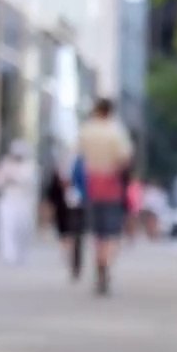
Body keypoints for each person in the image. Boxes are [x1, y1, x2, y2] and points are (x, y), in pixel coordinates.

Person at [76, 98, 133, 295]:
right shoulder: (116, 131)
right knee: (111, 231)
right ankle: (105, 262)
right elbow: (125, 158)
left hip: (92, 183)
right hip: (112, 183)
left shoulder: (87, 130)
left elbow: (77, 155)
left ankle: (99, 260)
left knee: (98, 231)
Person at [0, 139, 39, 266]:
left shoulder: (30, 166)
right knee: (7, 228)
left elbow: (29, 182)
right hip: (8, 201)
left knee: (23, 228)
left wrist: (13, 177)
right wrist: (3, 177)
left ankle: (21, 254)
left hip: (24, 202)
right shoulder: (4, 164)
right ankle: (9, 255)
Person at [43, 152, 85, 280]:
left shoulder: (81, 167)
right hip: (62, 208)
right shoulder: (57, 173)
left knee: (75, 234)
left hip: (77, 205)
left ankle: (73, 258)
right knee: (65, 233)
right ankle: (68, 254)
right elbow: (51, 192)